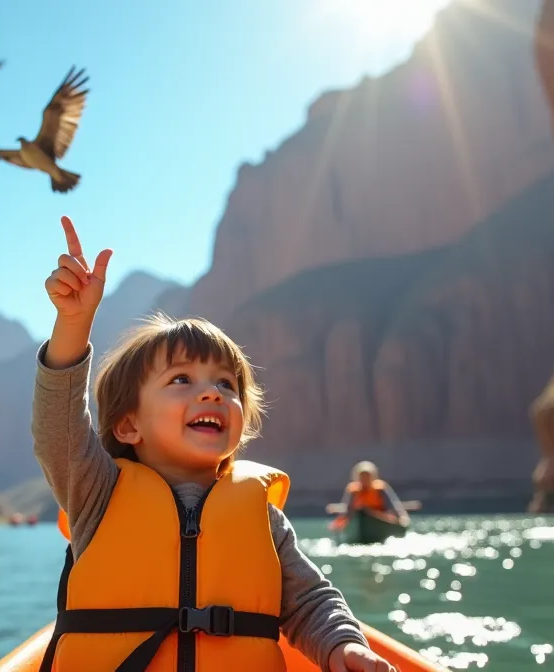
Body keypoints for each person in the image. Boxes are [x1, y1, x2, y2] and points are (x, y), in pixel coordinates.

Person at [30, 216, 395, 671]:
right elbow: (56, 429)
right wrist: (73, 323)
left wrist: (344, 646)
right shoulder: (94, 491)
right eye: (181, 379)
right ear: (127, 426)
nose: (212, 393)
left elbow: (310, 602)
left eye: (227, 384)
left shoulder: (263, 515)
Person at [340, 461, 410, 525]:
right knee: (360, 513)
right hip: (358, 518)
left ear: (373, 477)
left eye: (367, 476)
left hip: (380, 518)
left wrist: (401, 518)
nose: (365, 479)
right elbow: (346, 511)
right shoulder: (353, 491)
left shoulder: (380, 489)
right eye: (362, 477)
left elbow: (393, 507)